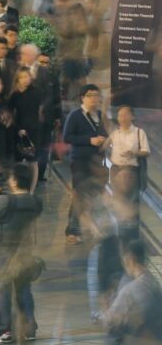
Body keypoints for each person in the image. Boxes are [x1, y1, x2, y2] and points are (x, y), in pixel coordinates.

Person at [0, 164, 43, 343]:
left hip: (3, 249)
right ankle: (29, 329)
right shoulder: (35, 201)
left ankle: (3, 330)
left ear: (13, 180)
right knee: (24, 288)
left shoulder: (5, 201)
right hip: (25, 249)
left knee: (2, 290)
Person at [62, 84, 108, 245]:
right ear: (83, 97)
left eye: (97, 95)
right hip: (80, 162)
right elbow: (67, 137)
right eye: (91, 95)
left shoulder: (100, 115)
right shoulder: (75, 115)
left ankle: (89, 226)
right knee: (79, 195)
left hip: (96, 163)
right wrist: (89, 140)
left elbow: (105, 133)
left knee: (91, 196)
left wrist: (103, 139)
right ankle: (72, 231)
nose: (95, 98)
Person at [107, 105, 150, 220]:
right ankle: (121, 232)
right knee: (118, 203)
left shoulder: (139, 133)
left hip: (132, 172)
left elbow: (146, 152)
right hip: (115, 171)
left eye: (126, 114)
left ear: (132, 117)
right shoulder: (115, 133)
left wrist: (134, 153)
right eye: (120, 115)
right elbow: (103, 147)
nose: (122, 118)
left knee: (132, 203)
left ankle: (132, 233)